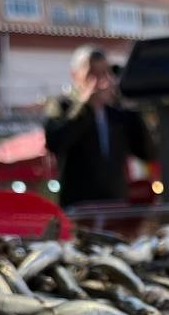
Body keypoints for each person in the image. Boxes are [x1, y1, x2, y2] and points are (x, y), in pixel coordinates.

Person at [44, 46, 154, 208]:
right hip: (79, 206)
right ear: (75, 75)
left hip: (116, 204)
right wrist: (86, 107)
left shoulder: (118, 113)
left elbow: (148, 152)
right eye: (92, 75)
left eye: (105, 73)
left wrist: (129, 105)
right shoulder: (62, 106)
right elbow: (56, 143)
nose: (100, 81)